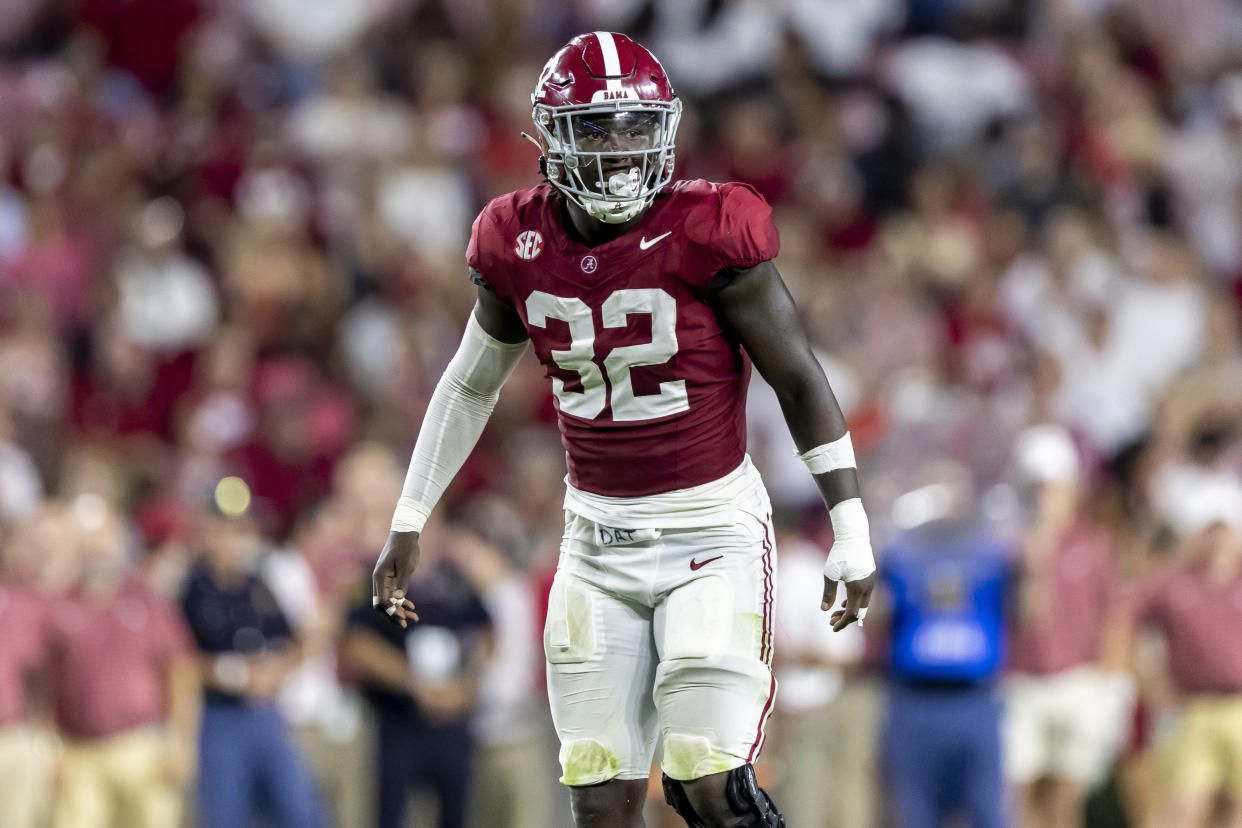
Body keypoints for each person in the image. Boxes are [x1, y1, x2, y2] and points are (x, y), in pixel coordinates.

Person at [371, 32, 876, 828]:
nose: (620, 149)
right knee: (601, 803)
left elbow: (799, 376)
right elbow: (469, 383)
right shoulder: (515, 239)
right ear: (552, 137)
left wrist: (849, 523)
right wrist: (409, 516)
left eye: (636, 127)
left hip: (711, 534)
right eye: (598, 129)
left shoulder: (711, 228)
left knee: (709, 784)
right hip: (596, 542)